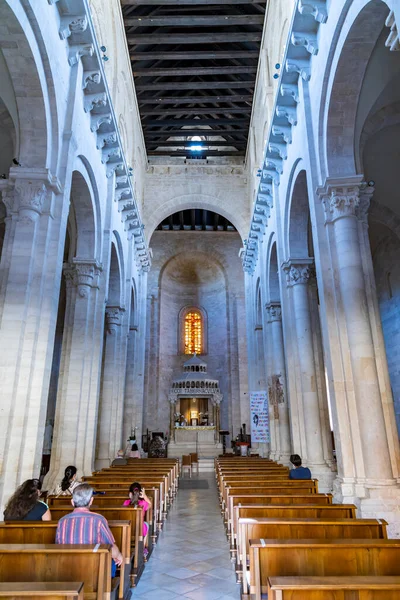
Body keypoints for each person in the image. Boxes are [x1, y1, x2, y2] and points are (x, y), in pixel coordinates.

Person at [56, 483, 123, 577]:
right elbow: (111, 548)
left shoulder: (62, 521)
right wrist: (118, 555)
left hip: (67, 570)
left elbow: (57, 546)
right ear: (91, 501)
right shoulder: (99, 520)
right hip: (93, 571)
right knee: (112, 563)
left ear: (72, 502)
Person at [123, 482, 151, 557]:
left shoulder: (126, 502)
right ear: (140, 493)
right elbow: (150, 504)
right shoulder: (143, 503)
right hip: (140, 529)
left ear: (130, 494)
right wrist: (145, 496)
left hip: (127, 528)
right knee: (146, 525)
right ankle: (142, 548)